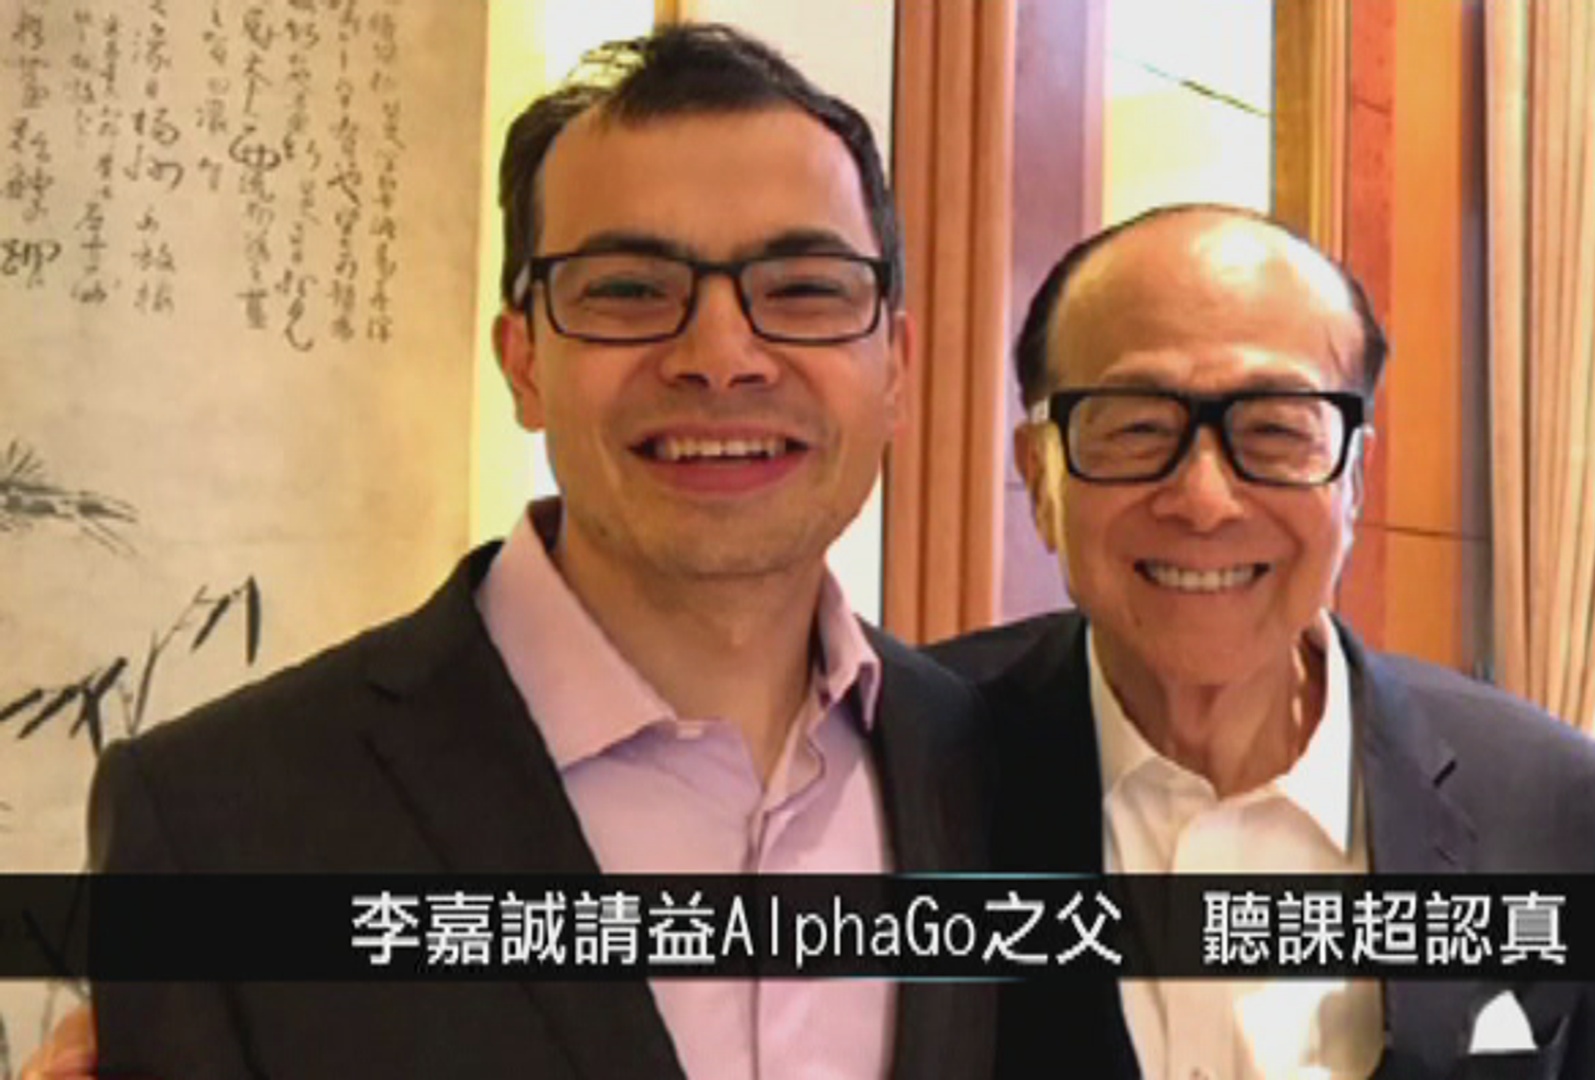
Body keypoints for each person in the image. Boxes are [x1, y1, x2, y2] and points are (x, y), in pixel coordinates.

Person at [53, 24, 992, 1080]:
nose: (722, 357)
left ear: (895, 365)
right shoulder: (218, 822)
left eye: (804, 289)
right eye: (629, 289)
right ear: (524, 361)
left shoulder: (992, 765)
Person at [929, 204, 1595, 1080]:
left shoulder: (1563, 812)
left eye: (1275, 431)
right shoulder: (908, 761)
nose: (1204, 500)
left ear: (1354, 480)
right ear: (1040, 476)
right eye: (1137, 427)